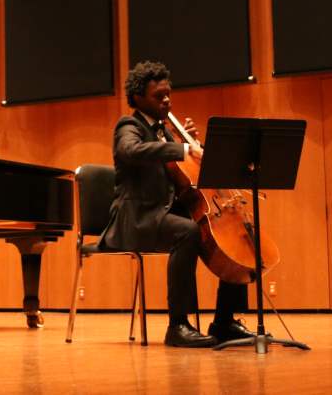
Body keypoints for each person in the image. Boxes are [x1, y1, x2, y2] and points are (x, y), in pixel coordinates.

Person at [98, 61, 253, 348]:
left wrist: (192, 143)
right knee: (188, 232)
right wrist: (182, 148)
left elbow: (190, 174)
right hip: (138, 217)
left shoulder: (166, 131)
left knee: (232, 235)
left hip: (166, 211)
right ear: (138, 98)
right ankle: (177, 325)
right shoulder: (129, 126)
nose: (166, 100)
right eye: (159, 96)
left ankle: (224, 321)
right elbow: (129, 150)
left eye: (168, 94)